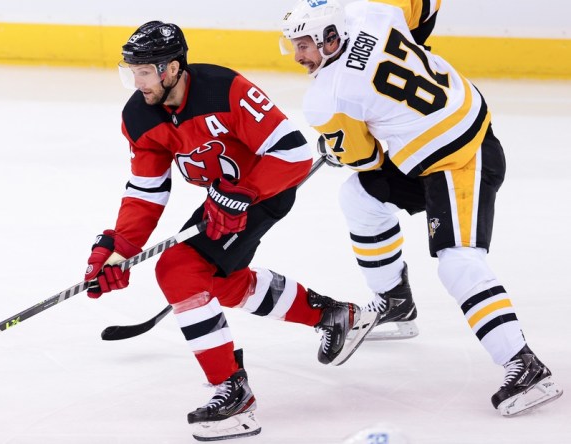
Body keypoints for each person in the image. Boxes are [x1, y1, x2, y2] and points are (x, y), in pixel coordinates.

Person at [82, 20, 378, 441]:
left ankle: (234, 394)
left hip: (264, 189)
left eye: (145, 71)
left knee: (178, 270)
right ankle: (334, 315)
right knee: (216, 283)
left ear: (171, 68)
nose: (137, 81)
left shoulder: (225, 89)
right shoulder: (140, 116)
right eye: (132, 71)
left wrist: (245, 192)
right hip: (222, 200)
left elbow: (292, 152)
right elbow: (146, 191)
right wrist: (120, 248)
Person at [279, 0, 563, 416]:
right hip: (433, 144)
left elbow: (366, 158)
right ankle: (395, 301)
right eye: (292, 45)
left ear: (328, 37)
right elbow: (425, 7)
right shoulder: (375, 11)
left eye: (303, 45)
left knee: (458, 262)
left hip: (464, 155)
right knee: (359, 197)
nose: (298, 56)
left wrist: (336, 147)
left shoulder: (327, 98)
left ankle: (524, 364)